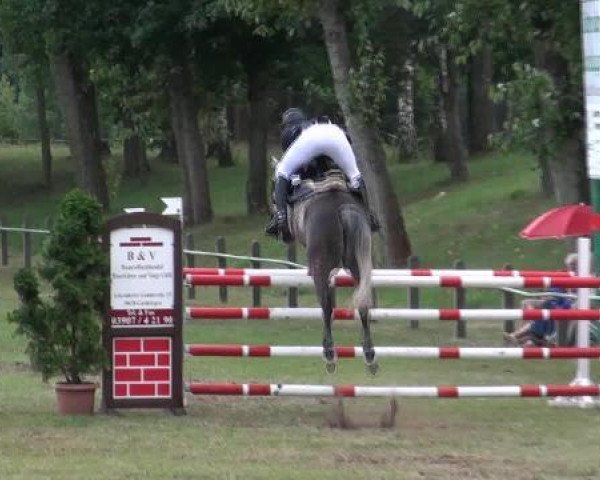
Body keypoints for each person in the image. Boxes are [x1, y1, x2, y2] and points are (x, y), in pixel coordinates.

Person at [265, 107, 380, 241]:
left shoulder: (289, 130)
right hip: (336, 135)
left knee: (281, 172)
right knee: (355, 176)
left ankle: (280, 218)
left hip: (310, 141)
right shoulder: (317, 122)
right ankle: (368, 215)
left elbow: (298, 166)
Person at [504, 288, 573, 346]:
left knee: (530, 337)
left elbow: (566, 306)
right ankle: (516, 338)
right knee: (530, 335)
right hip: (542, 329)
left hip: (547, 330)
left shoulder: (566, 300)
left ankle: (516, 338)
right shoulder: (553, 299)